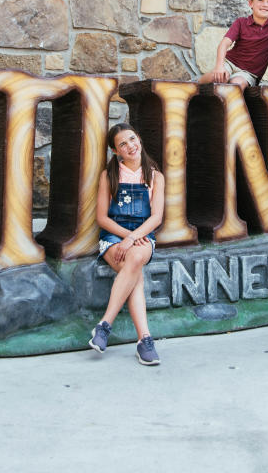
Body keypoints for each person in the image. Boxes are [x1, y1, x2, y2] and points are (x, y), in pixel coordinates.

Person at [87, 123, 166, 365]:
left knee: (134, 259)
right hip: (113, 236)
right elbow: (102, 217)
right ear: (115, 151)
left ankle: (104, 325)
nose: (130, 146)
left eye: (132, 139)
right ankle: (144, 340)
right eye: (123, 144)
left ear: (139, 139)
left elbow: (156, 217)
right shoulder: (109, 175)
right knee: (135, 273)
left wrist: (132, 237)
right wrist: (124, 236)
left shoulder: (155, 175)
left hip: (143, 235)